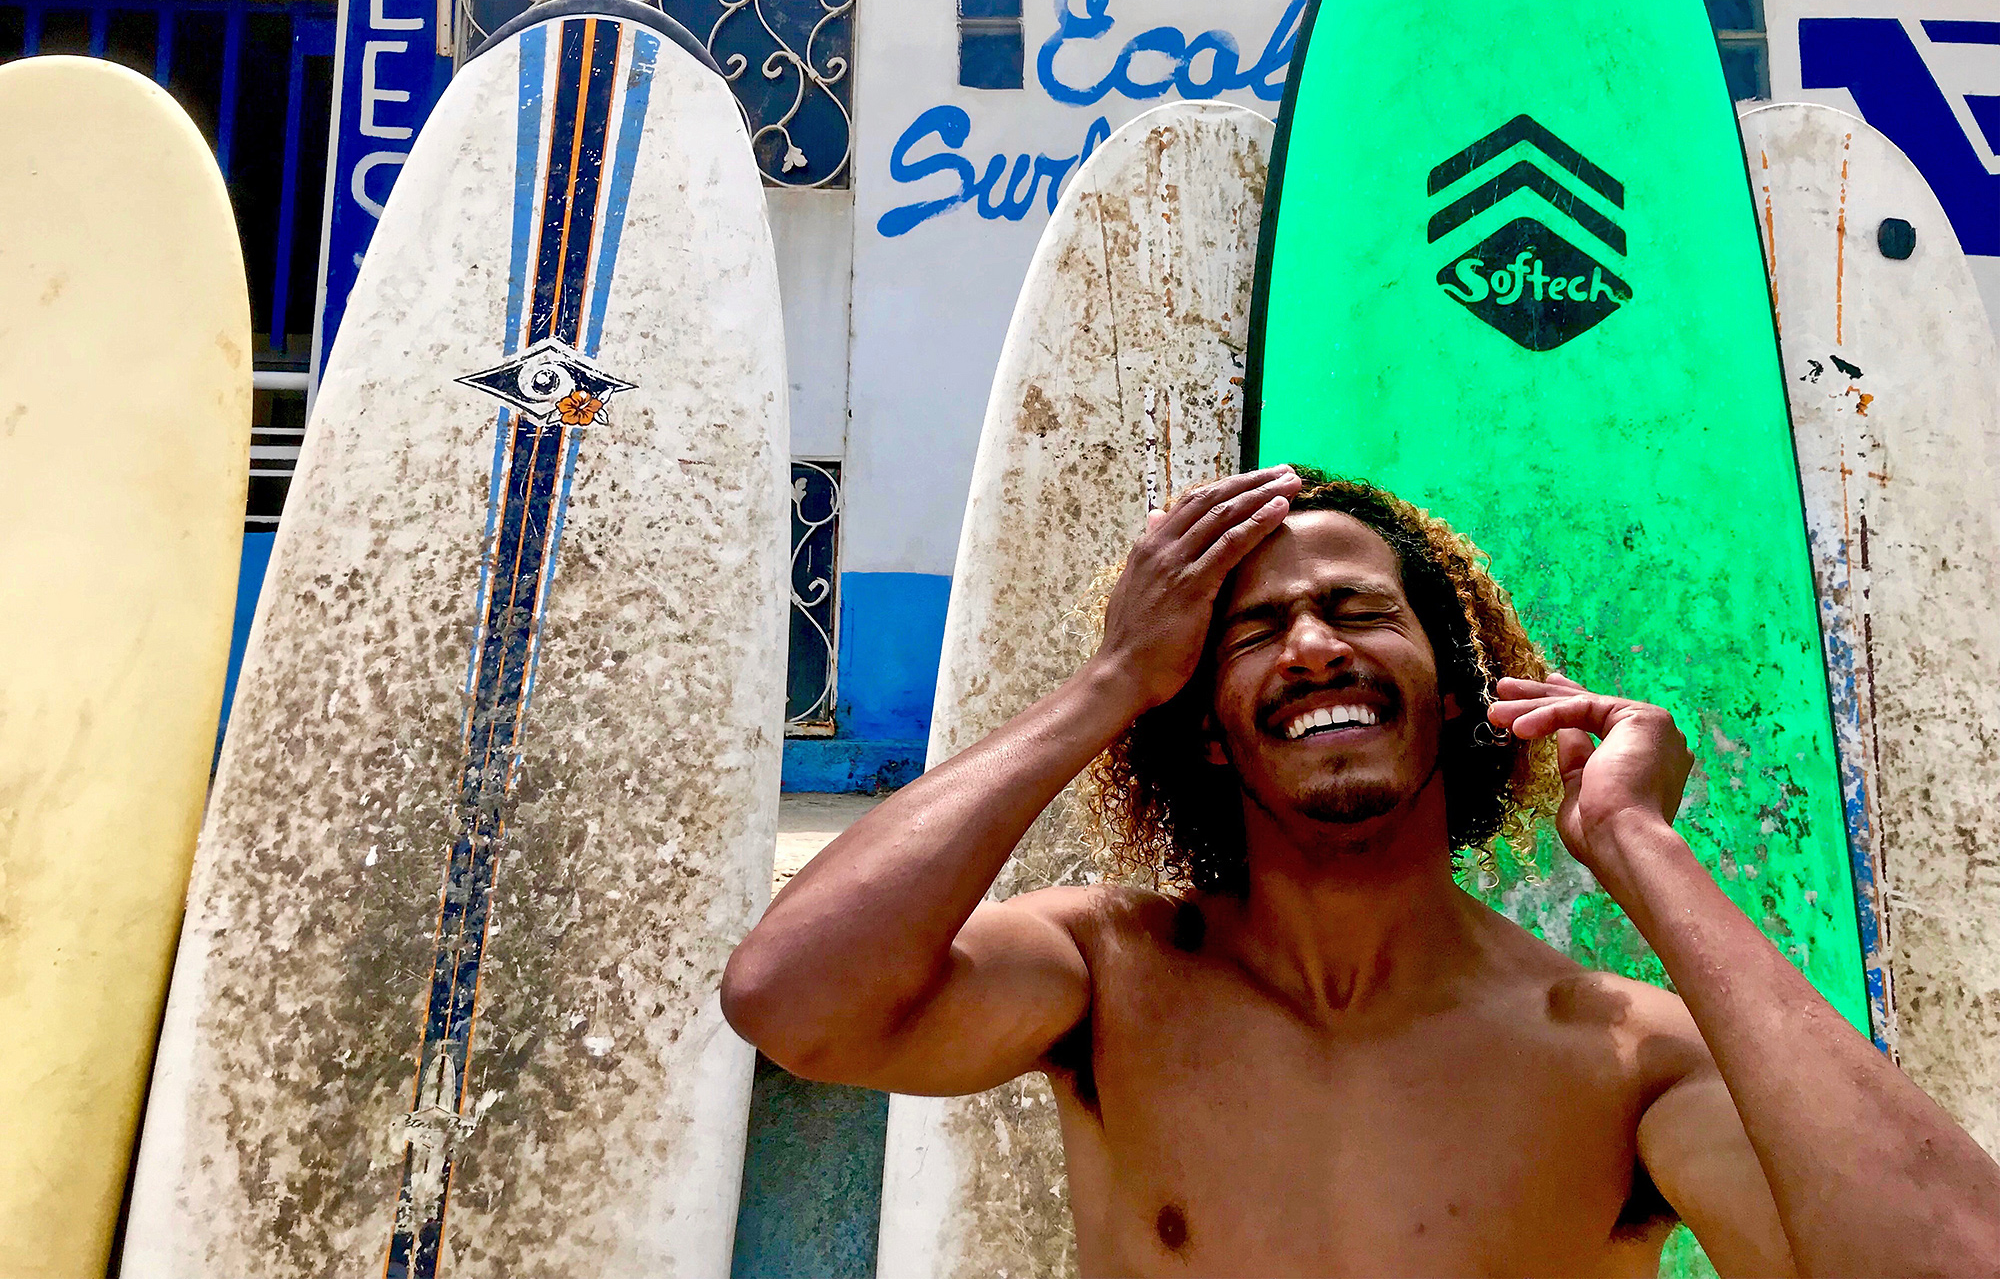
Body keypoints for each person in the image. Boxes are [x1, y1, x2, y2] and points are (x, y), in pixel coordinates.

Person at [723, 465, 2000, 1277]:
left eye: (1359, 611)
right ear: (1207, 734)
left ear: (1454, 697)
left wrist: (1637, 844)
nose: (1314, 646)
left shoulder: (1619, 1059)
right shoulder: (1105, 979)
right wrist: (1111, 682)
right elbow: (795, 1000)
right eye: (1255, 631)